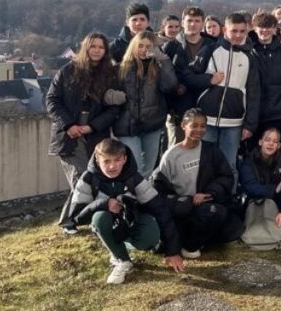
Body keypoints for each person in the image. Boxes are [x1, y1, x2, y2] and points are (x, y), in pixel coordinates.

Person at [64, 139, 184, 285]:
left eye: (117, 160)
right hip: (106, 224)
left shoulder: (134, 178)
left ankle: (119, 246)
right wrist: (104, 204)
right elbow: (77, 217)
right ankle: (123, 260)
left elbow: (160, 210)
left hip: (132, 221)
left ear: (125, 159)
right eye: (106, 161)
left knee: (150, 236)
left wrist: (173, 251)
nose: (112, 166)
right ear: (97, 159)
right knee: (100, 217)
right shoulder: (88, 178)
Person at [47, 32, 121, 234]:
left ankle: (74, 220)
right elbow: (52, 100)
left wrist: (92, 126)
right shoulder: (67, 71)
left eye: (101, 47)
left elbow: (114, 109)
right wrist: (69, 125)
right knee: (81, 178)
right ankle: (72, 221)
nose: (97, 50)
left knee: (92, 178)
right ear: (85, 48)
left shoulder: (110, 75)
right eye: (93, 46)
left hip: (95, 135)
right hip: (68, 136)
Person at [152, 109, 244, 258]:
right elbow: (159, 191)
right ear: (183, 126)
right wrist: (182, 202)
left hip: (203, 205)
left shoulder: (211, 150)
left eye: (203, 126)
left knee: (228, 222)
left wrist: (209, 193)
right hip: (181, 208)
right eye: (194, 126)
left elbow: (226, 176)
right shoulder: (170, 156)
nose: (199, 130)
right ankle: (187, 241)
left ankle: (191, 246)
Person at [190, 13, 262, 175]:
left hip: (233, 122)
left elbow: (254, 93)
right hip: (206, 119)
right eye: (234, 31)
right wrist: (209, 80)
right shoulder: (210, 50)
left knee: (229, 166)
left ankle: (228, 192)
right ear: (224, 30)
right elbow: (190, 77)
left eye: (242, 31)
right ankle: (203, 192)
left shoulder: (250, 58)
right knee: (203, 164)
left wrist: (250, 125)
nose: (238, 35)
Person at [113, 30, 179, 177]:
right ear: (133, 46)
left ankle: (143, 192)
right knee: (134, 167)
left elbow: (170, 86)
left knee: (149, 167)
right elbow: (108, 92)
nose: (144, 50)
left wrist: (164, 60)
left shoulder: (158, 69)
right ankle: (132, 191)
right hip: (127, 126)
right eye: (140, 46)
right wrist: (111, 96)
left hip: (152, 125)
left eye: (149, 46)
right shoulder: (120, 69)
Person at [238, 127, 281, 244]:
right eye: (267, 140)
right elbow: (249, 186)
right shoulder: (249, 161)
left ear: (279, 146)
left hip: (280, 199)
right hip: (258, 199)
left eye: (275, 141)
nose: (271, 144)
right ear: (260, 142)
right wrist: (274, 190)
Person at [163, 6, 217, 146]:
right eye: (189, 20)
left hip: (206, 105)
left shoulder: (212, 45)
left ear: (203, 23)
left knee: (204, 150)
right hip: (179, 108)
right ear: (182, 22)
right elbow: (164, 78)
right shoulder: (170, 47)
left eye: (197, 21)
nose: (193, 24)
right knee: (178, 148)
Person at [251, 13, 281, 140]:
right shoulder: (249, 50)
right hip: (252, 114)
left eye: (269, 27)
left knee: (274, 149)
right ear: (255, 28)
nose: (265, 30)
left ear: (274, 29)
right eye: (261, 27)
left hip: (277, 114)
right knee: (253, 150)